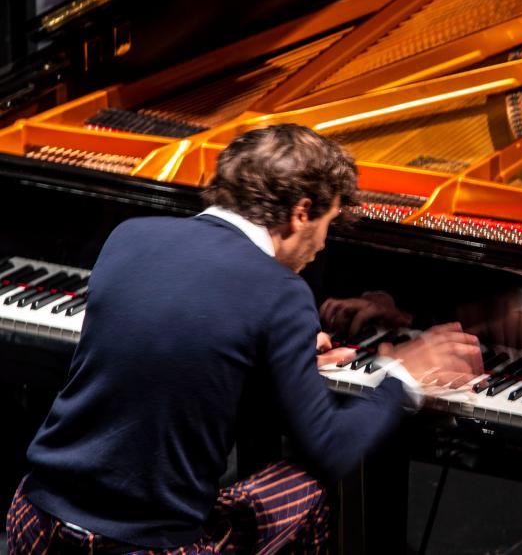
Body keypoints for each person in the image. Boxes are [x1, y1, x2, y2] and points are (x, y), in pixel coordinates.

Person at [4, 123, 482, 553]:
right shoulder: (280, 292)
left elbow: (166, 352)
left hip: (34, 520)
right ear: (301, 212)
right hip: (143, 547)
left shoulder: (130, 236)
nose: (320, 246)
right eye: (327, 224)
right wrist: (403, 375)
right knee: (306, 491)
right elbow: (332, 448)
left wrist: (276, 354)